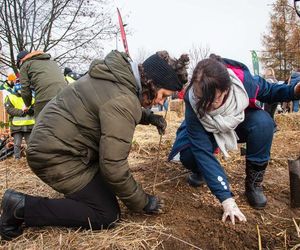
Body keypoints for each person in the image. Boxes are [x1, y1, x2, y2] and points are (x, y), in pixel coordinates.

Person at [0, 50, 189, 240]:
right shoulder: (123, 99)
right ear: (152, 83)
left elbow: (106, 104)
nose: (160, 102)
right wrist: (143, 202)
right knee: (106, 214)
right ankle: (20, 207)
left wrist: (147, 116)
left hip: (58, 143)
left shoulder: (116, 77)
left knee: (107, 191)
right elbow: (113, 167)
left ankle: (76, 197)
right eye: (163, 95)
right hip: (54, 156)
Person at [168, 54, 300, 225]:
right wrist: (226, 199)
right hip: (206, 129)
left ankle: (253, 184)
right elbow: (201, 150)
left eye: (213, 100)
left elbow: (269, 90)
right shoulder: (192, 101)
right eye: (201, 99)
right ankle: (201, 171)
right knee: (189, 154)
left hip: (235, 123)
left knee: (263, 123)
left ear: (226, 90)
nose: (205, 106)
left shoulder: (242, 82)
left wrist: (294, 91)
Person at [17, 50, 67, 118]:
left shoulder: (25, 65)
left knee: (40, 124)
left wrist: (27, 104)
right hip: (64, 96)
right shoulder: (52, 62)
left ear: (20, 61)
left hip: (45, 99)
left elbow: (25, 88)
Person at [4, 83, 35, 160]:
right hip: (16, 126)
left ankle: (32, 159)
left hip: (29, 125)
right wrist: (22, 112)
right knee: (17, 144)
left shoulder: (32, 98)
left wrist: (29, 110)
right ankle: (17, 159)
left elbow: (35, 108)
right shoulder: (10, 97)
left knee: (30, 144)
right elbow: (9, 110)